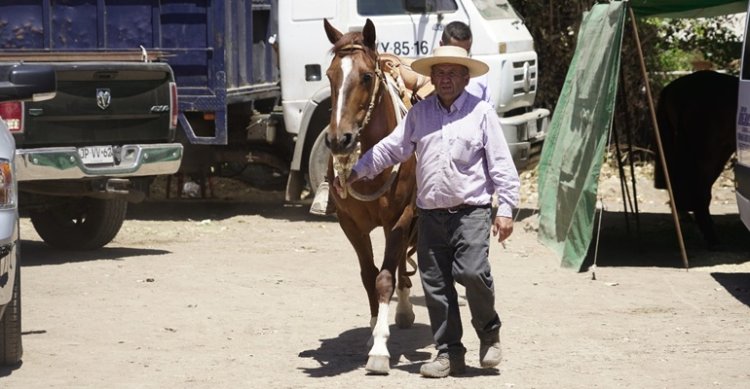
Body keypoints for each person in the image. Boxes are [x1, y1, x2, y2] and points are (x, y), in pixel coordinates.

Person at [334, 45, 519, 378]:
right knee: (435, 285)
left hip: (471, 212)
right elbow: (392, 148)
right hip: (431, 213)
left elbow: (502, 166)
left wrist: (505, 208)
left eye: (453, 73)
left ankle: (489, 331)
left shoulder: (481, 114)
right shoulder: (418, 115)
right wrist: (356, 171)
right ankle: (448, 353)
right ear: (432, 78)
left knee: (473, 272)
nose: (446, 79)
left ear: (465, 78)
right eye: (440, 73)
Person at [310, 21, 492, 216]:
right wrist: (356, 172)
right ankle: (330, 179)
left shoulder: (480, 92)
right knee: (343, 112)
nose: (458, 58)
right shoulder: (430, 83)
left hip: (467, 184)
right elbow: (393, 146)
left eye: (464, 52)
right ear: (441, 45)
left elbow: (493, 144)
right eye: (453, 51)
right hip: (436, 198)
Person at [440, 21, 493, 104]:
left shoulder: (479, 77)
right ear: (441, 46)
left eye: (466, 51)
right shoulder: (427, 75)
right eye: (456, 51)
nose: (462, 58)